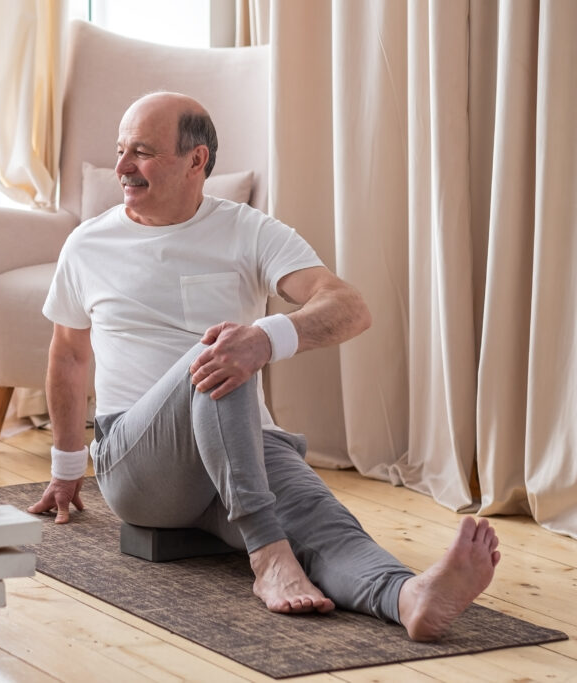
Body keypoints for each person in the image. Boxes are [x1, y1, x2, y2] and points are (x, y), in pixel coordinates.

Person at [28, 91, 501, 641]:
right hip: (141, 466)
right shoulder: (89, 244)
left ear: (196, 160)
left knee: (329, 529)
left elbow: (350, 307)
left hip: (244, 443)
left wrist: (268, 337)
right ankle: (267, 552)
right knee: (218, 354)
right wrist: (66, 469)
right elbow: (69, 352)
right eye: (121, 150)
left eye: (142, 152)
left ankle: (408, 597)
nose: (122, 168)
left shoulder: (248, 230)